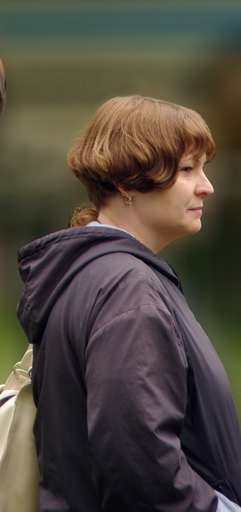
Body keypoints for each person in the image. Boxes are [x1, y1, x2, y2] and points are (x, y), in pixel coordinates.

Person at [17, 95, 241, 512]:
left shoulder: (91, 273)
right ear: (125, 181)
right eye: (187, 170)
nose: (206, 186)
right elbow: (138, 462)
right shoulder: (128, 288)